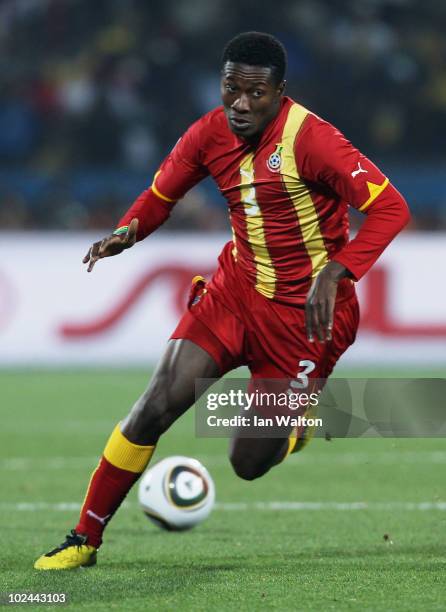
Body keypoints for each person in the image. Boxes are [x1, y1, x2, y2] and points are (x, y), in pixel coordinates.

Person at [34, 31, 410, 570]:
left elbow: (391, 209)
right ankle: (84, 539)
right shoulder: (209, 133)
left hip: (304, 320)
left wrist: (338, 269)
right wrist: (127, 232)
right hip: (234, 293)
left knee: (247, 462)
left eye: (255, 93)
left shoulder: (313, 141)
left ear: (280, 92)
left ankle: (295, 423)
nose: (240, 103)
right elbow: (162, 195)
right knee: (155, 405)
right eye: (230, 88)